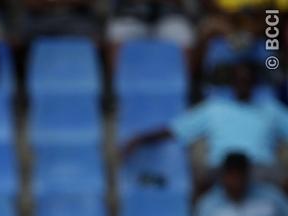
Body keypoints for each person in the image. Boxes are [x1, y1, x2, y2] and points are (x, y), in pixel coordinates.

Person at [121, 62, 288, 189]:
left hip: (260, 169)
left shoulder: (271, 109)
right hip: (222, 169)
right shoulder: (215, 108)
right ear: (232, 83)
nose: (243, 84)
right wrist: (139, 139)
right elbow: (175, 130)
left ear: (254, 83)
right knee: (200, 186)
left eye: (247, 80)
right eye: (239, 80)